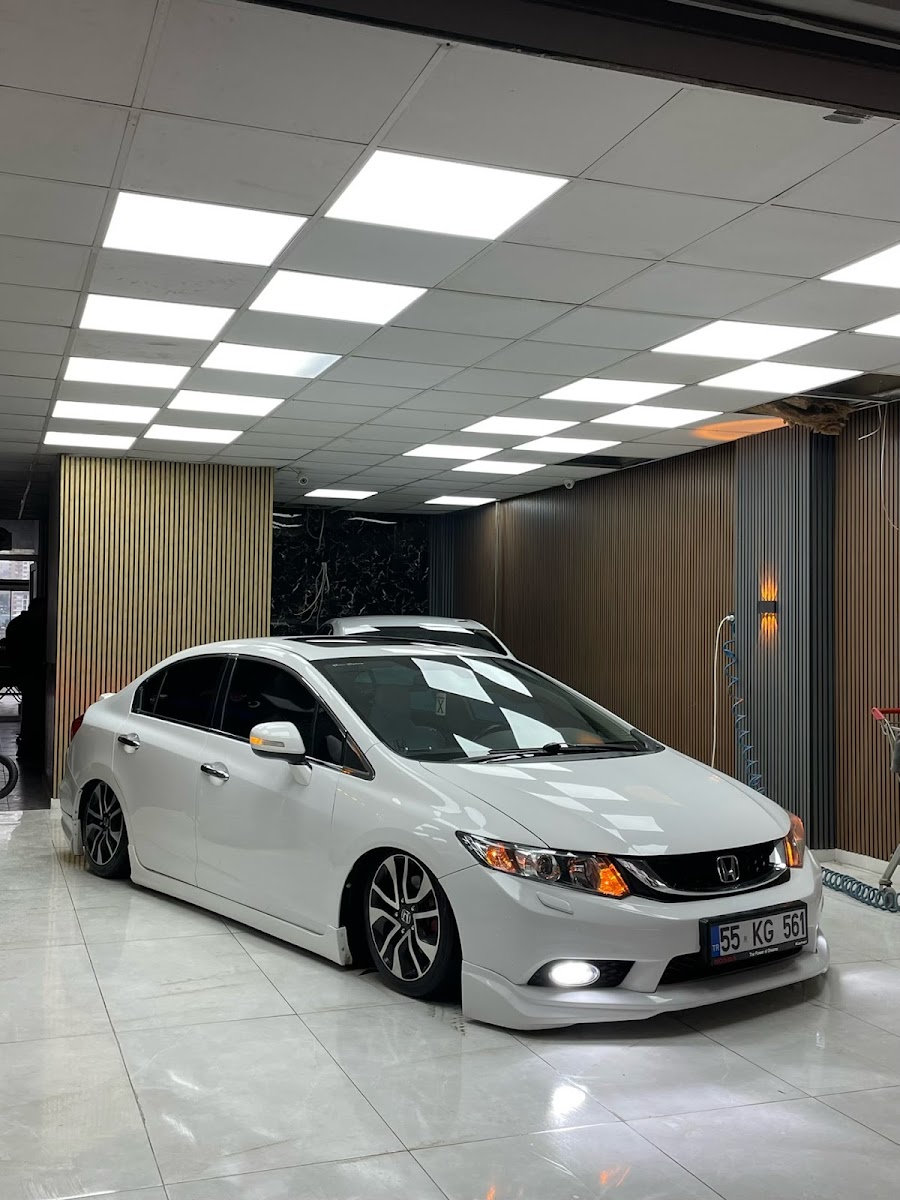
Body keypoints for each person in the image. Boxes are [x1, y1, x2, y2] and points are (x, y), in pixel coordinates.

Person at [5, 597, 47, 767]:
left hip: (21, 673)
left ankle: (26, 747)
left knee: (30, 710)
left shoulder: (16, 624)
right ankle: (29, 748)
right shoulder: (32, 627)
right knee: (34, 711)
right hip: (32, 673)